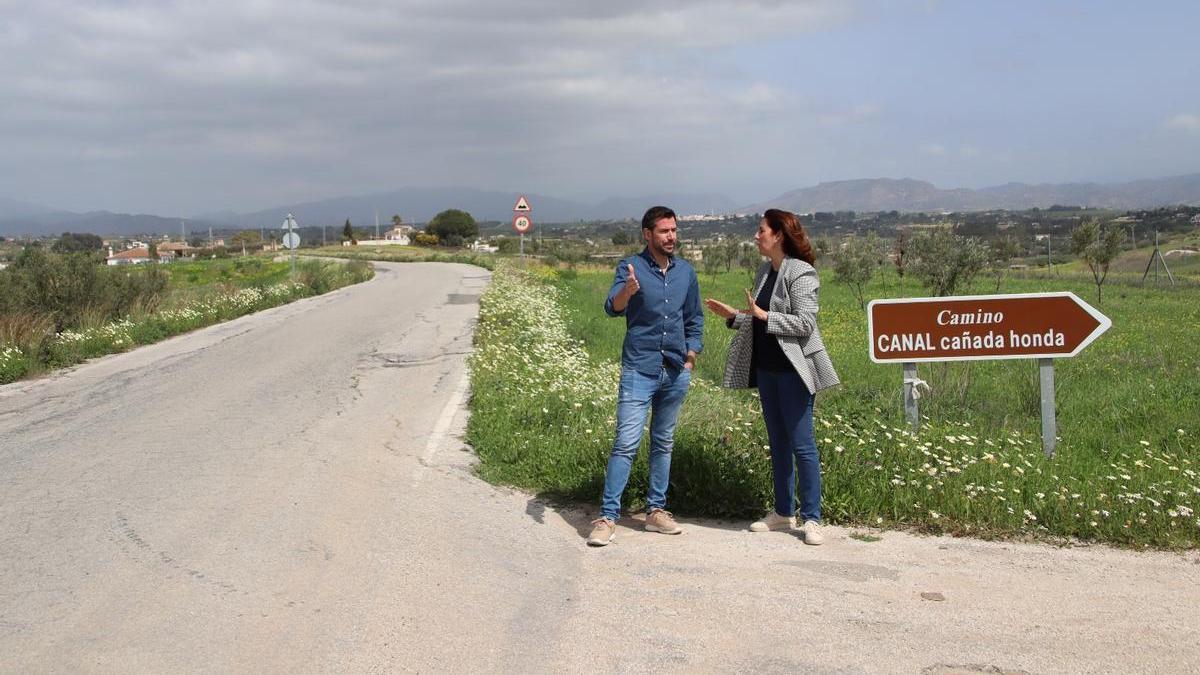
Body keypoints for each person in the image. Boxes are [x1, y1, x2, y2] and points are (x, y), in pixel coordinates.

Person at [703, 209, 840, 545]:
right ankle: (782, 512)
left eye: (761, 230)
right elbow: (760, 320)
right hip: (767, 371)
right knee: (777, 443)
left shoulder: (802, 273)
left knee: (802, 444)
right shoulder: (765, 270)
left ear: (779, 235)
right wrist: (736, 317)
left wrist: (765, 314)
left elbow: (805, 324)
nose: (756, 235)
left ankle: (812, 518)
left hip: (793, 372)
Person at [587, 206, 704, 547]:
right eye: (665, 231)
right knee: (626, 443)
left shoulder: (686, 272)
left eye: (674, 230)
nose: (671, 236)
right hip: (639, 368)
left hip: (674, 370)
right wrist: (629, 291)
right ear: (647, 234)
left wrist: (691, 356)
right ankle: (608, 517)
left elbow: (694, 317)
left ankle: (656, 512)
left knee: (663, 442)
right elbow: (613, 307)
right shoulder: (631, 267)